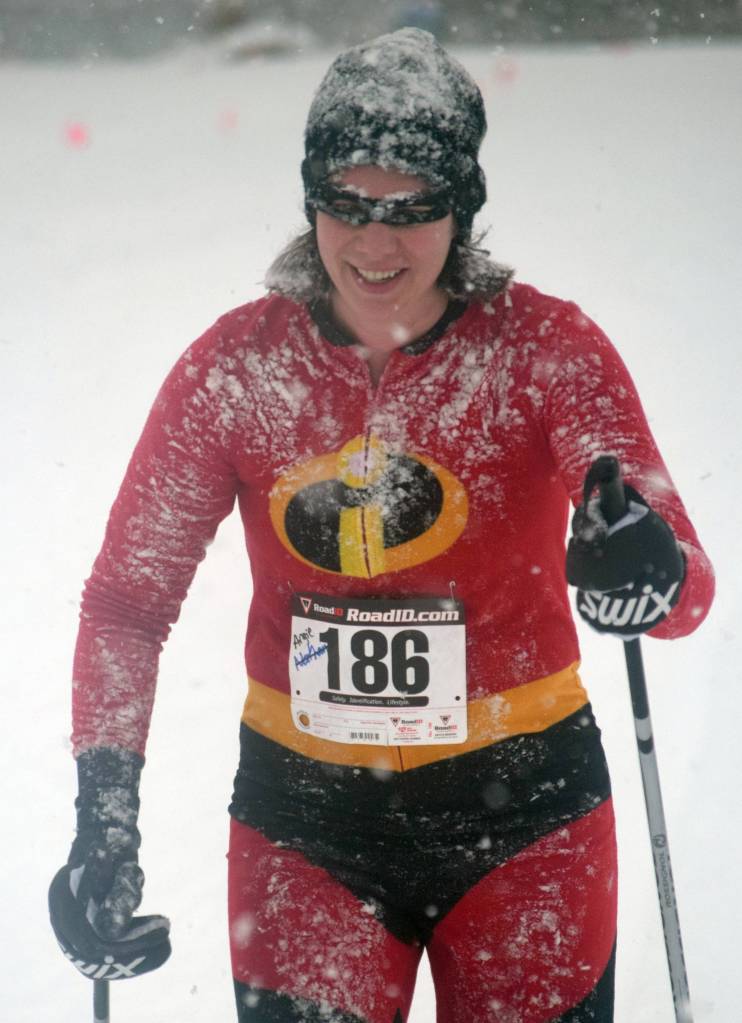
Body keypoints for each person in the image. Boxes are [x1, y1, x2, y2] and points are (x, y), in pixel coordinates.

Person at [49, 27, 714, 1023]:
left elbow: (683, 584)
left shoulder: (545, 351)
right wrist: (103, 819)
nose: (374, 244)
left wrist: (644, 564)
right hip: (303, 830)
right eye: (347, 205)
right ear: (310, 201)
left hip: (528, 821)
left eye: (413, 210)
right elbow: (126, 607)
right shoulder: (234, 371)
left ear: (464, 210)